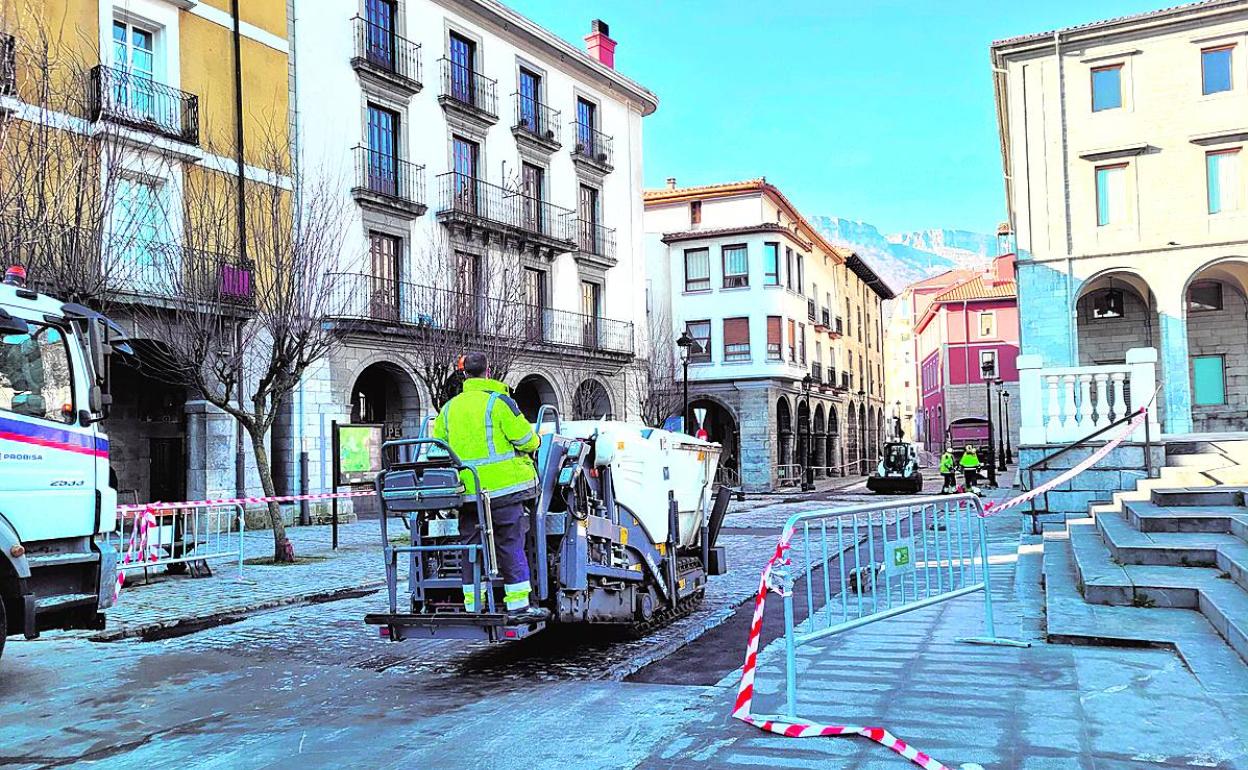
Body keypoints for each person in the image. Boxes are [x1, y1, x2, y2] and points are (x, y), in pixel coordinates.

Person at [432, 352, 550, 624]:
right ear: (488, 372)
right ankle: (519, 606)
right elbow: (527, 441)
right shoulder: (499, 403)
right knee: (509, 543)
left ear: (464, 374)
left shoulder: (449, 409)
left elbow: (435, 449)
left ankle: (473, 604)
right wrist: (536, 442)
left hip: (467, 493)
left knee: (470, 547)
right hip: (504, 491)